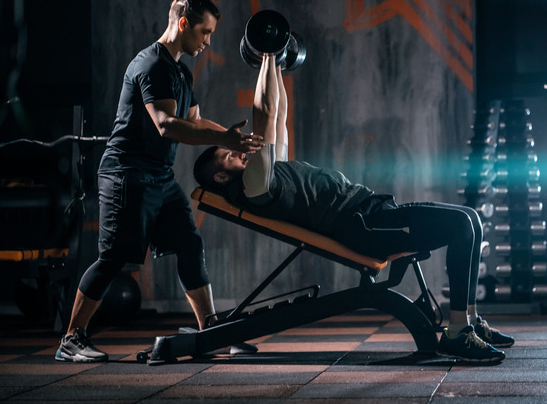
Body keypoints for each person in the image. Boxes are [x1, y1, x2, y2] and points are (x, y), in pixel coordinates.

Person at [193, 54, 515, 363]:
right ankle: (457, 333)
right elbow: (263, 115)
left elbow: (277, 116)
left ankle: (470, 319)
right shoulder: (254, 187)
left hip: (371, 212)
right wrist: (266, 53)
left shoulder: (267, 175)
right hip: (362, 225)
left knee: (470, 218)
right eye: (229, 154)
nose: (239, 150)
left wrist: (276, 61)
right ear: (221, 176)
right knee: (460, 226)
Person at [55, 0, 262, 362]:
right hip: (126, 174)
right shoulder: (150, 65)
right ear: (183, 24)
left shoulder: (180, 71)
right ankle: (71, 338)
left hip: (160, 177)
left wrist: (234, 140)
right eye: (205, 32)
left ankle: (210, 332)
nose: (208, 41)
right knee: (114, 257)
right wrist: (223, 136)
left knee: (189, 244)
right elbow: (167, 125)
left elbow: (195, 121)